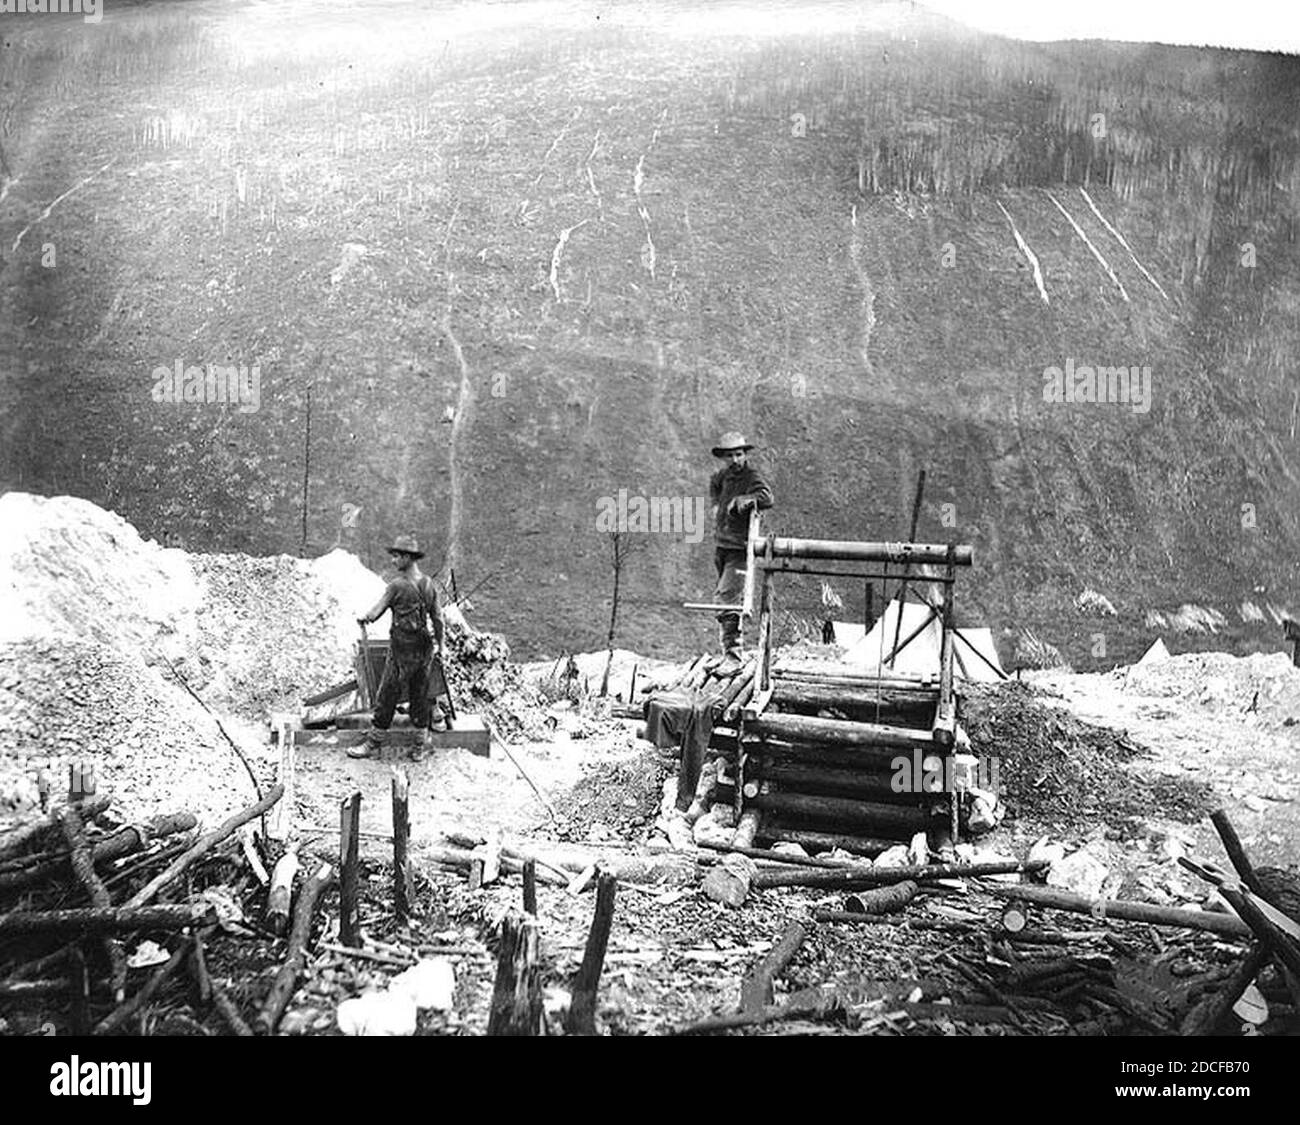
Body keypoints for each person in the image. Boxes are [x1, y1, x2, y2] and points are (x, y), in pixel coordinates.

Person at [350, 534, 450, 760]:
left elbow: (378, 609)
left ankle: (374, 743)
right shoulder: (428, 585)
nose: (393, 561)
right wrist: (441, 646)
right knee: (420, 697)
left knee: (387, 696)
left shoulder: (396, 586)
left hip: (402, 652)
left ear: (407, 558)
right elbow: (438, 620)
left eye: (396, 557)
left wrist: (366, 617)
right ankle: (419, 747)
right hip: (424, 650)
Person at [708, 432, 774, 673]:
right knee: (722, 598)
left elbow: (767, 497)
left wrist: (746, 500)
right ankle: (726, 654)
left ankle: (735, 657)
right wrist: (718, 510)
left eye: (738, 454)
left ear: (745, 454)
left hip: (741, 548)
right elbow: (715, 497)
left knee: (728, 596)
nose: (735, 460)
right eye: (730, 456)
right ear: (723, 458)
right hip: (722, 546)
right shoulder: (720, 478)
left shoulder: (751, 477)